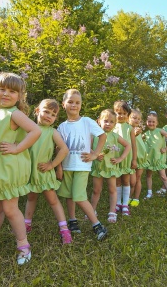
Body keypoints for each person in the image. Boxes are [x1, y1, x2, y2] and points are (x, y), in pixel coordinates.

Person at [0, 72, 41, 265]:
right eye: (1, 89)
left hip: (9, 169)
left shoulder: (15, 113)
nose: (6, 94)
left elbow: (35, 131)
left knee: (10, 208)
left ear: (20, 96)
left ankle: (24, 246)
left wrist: (17, 148)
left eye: (12, 91)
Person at [56, 89, 108, 240]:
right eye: (70, 102)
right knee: (69, 195)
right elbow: (59, 148)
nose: (74, 105)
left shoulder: (86, 121)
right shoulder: (61, 126)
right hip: (67, 166)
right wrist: (59, 166)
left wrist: (95, 154)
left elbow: (102, 136)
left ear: (81, 105)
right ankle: (72, 221)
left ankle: (97, 225)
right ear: (64, 104)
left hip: (82, 166)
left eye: (77, 102)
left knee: (79, 196)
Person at [24, 99, 72, 244]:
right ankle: (27, 224)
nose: (48, 116)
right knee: (31, 198)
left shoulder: (52, 132)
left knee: (52, 200)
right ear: (37, 111)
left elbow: (64, 150)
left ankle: (64, 229)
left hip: (44, 172)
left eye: (53, 114)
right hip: (31, 173)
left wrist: (52, 165)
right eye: (46, 111)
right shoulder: (29, 128)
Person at [90, 109, 131, 223]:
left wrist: (120, 158)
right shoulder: (94, 135)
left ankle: (112, 212)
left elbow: (128, 146)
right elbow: (88, 147)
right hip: (98, 168)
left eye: (112, 122)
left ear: (115, 124)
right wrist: (94, 154)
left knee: (112, 189)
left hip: (111, 168)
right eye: (106, 121)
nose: (108, 124)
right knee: (96, 190)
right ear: (99, 121)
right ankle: (92, 210)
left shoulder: (115, 136)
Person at [143, 111, 167, 203]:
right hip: (149, 158)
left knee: (163, 176)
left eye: (153, 122)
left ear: (157, 123)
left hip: (158, 158)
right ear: (146, 122)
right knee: (148, 175)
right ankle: (149, 193)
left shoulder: (160, 131)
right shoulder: (145, 134)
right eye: (149, 121)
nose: (151, 123)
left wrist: (166, 148)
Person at [113, 100, 137, 216]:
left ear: (127, 115)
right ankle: (117, 203)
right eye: (118, 113)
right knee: (117, 181)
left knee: (126, 180)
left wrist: (134, 159)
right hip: (115, 157)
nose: (121, 115)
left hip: (127, 158)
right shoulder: (112, 126)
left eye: (124, 113)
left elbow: (133, 145)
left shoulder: (129, 128)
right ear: (115, 113)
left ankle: (125, 204)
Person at [128, 109, 149, 207]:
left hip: (141, 156)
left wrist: (137, 133)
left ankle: (136, 198)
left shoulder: (138, 129)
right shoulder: (127, 128)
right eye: (134, 118)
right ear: (128, 118)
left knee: (138, 178)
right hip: (131, 157)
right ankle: (128, 197)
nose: (137, 120)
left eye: (139, 119)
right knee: (131, 181)